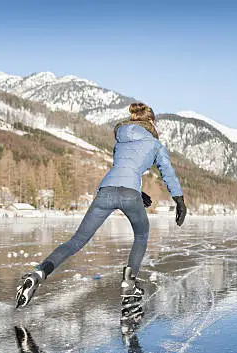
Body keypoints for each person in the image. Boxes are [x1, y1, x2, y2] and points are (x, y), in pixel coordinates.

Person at [16, 102, 187, 310]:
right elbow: (166, 172)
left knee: (77, 240)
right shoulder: (155, 144)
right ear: (151, 121)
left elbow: (121, 167)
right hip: (129, 193)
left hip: (106, 190)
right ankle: (129, 284)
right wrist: (179, 200)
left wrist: (137, 190)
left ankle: (38, 274)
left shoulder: (121, 139)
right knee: (141, 236)